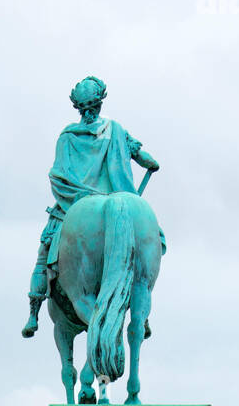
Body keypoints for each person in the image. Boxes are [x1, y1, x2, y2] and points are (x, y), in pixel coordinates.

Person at [22, 75, 163, 337]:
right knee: (157, 241)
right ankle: (141, 315)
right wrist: (150, 163)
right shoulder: (115, 130)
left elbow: (58, 176)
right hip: (115, 195)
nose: (89, 112)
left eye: (90, 108)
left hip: (73, 204)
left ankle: (33, 314)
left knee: (44, 255)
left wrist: (78, 194)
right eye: (88, 108)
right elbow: (145, 158)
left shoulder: (68, 136)